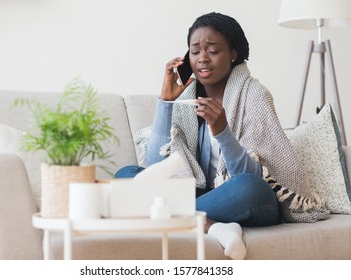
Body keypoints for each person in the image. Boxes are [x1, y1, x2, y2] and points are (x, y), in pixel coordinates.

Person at [115, 12, 329, 260]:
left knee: (248, 187)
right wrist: (166, 103)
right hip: (202, 196)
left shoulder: (255, 96)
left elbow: (251, 177)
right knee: (126, 175)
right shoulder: (185, 101)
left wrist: (222, 131)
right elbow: (155, 165)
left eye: (213, 50)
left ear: (233, 54)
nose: (202, 58)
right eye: (195, 51)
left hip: (247, 199)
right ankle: (211, 225)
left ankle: (162, 216)